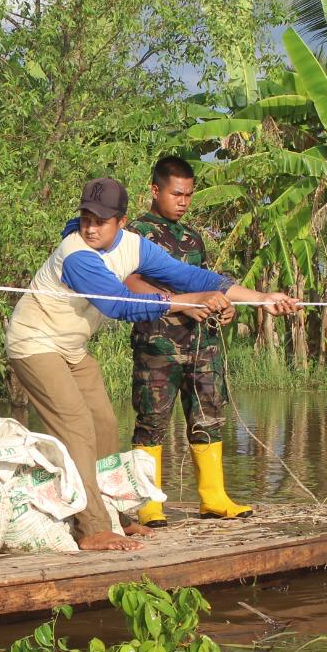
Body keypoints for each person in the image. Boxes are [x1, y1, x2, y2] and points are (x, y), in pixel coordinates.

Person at [5, 176, 300, 552]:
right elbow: (120, 304)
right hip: (33, 342)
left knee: (105, 423)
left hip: (71, 346)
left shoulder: (135, 247)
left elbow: (190, 275)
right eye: (86, 218)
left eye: (101, 220)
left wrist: (260, 297)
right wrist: (187, 302)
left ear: (122, 222)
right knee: (77, 426)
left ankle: (119, 516)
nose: (91, 226)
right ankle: (92, 528)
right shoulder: (77, 254)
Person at [123, 155, 254, 526]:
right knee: (152, 419)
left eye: (189, 195)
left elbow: (204, 284)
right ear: (155, 190)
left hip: (202, 342)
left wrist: (225, 307)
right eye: (176, 194)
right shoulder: (135, 234)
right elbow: (129, 284)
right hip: (158, 343)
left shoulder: (193, 237)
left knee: (208, 417)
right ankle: (148, 503)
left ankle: (214, 498)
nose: (183, 201)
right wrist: (180, 305)